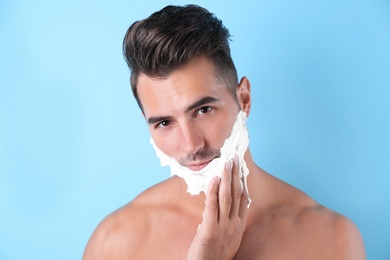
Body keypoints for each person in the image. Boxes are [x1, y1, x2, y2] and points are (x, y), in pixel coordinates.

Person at [83, 4, 365, 259]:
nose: (191, 145)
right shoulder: (115, 242)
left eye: (203, 110)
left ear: (243, 99)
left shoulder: (330, 237)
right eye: (165, 123)